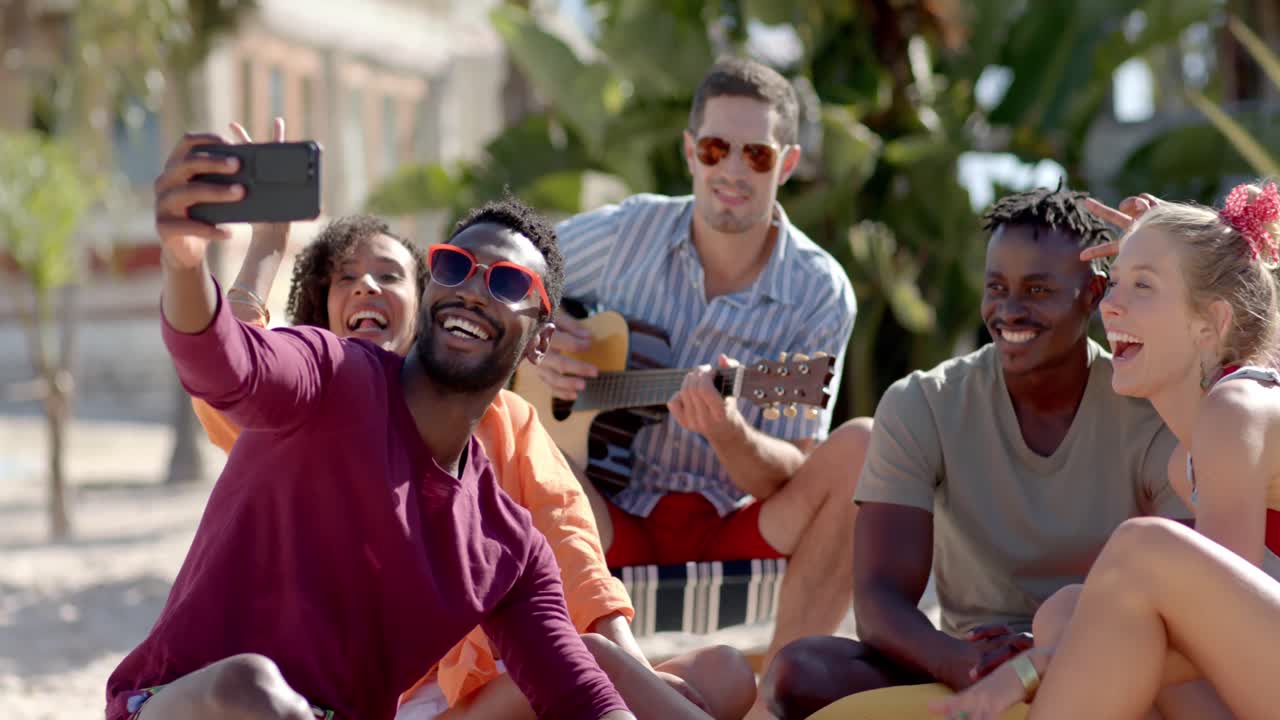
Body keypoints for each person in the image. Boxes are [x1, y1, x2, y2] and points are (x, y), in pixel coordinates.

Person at [188, 121, 755, 720]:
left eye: (388, 275)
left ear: (423, 301)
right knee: (603, 667)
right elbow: (229, 376)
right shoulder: (316, 401)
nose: (366, 289)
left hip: (497, 675)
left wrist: (636, 673)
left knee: (724, 674)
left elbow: (572, 552)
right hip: (375, 699)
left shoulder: (507, 422)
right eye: (345, 280)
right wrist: (263, 247)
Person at [761, 185, 1194, 719]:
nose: (1009, 310)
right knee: (798, 670)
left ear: (1094, 293)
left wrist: (1035, 664)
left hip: (1103, 660)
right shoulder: (924, 402)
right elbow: (879, 601)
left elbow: (1184, 602)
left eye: (1037, 290)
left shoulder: (1153, 412)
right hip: (965, 667)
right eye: (997, 288)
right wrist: (964, 663)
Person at [534, 56, 867, 697]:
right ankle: (574, 684)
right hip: (602, 516)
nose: (733, 171)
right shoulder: (628, 232)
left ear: (787, 165)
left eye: (757, 156)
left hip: (729, 524)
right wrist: (535, 340)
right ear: (691, 152)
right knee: (511, 432)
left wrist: (731, 433)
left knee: (863, 447)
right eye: (716, 149)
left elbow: (792, 470)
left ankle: (781, 697)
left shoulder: (820, 291)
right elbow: (495, 254)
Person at [932, 181, 1280, 720]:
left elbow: (1211, 626)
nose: (1109, 305)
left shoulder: (1235, 412)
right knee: (1065, 611)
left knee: (1140, 551)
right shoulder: (1183, 462)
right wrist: (1168, 250)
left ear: (1211, 322)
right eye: (1113, 282)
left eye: (1141, 286)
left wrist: (1035, 667)